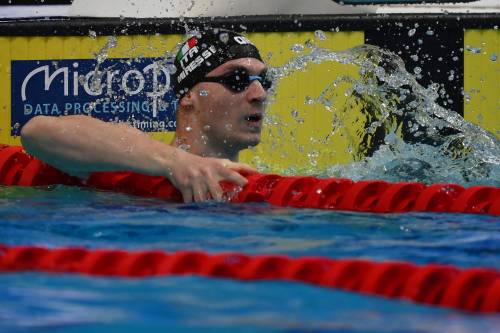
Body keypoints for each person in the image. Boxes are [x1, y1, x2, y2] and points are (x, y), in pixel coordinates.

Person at [21, 29, 272, 203]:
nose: (259, 94)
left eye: (264, 80)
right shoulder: (132, 163)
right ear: (189, 96)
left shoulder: (259, 190)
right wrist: (176, 162)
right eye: (236, 79)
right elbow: (36, 132)